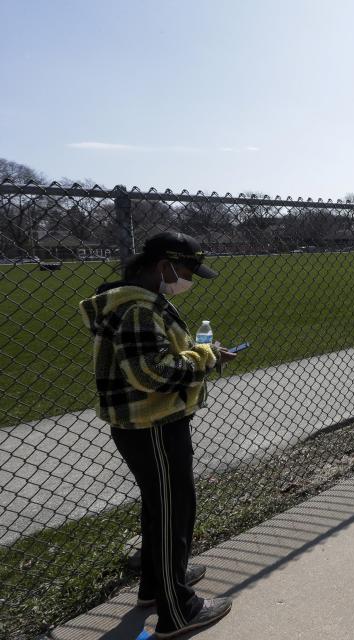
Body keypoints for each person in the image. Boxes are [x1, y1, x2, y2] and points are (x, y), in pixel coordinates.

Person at [78, 232, 234, 639]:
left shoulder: (142, 303)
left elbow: (161, 358)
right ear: (163, 265)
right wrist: (206, 355)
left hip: (153, 423)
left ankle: (158, 583)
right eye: (184, 270)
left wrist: (205, 354)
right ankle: (178, 610)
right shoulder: (136, 310)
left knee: (162, 506)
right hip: (153, 425)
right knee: (173, 513)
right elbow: (152, 372)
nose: (188, 279)